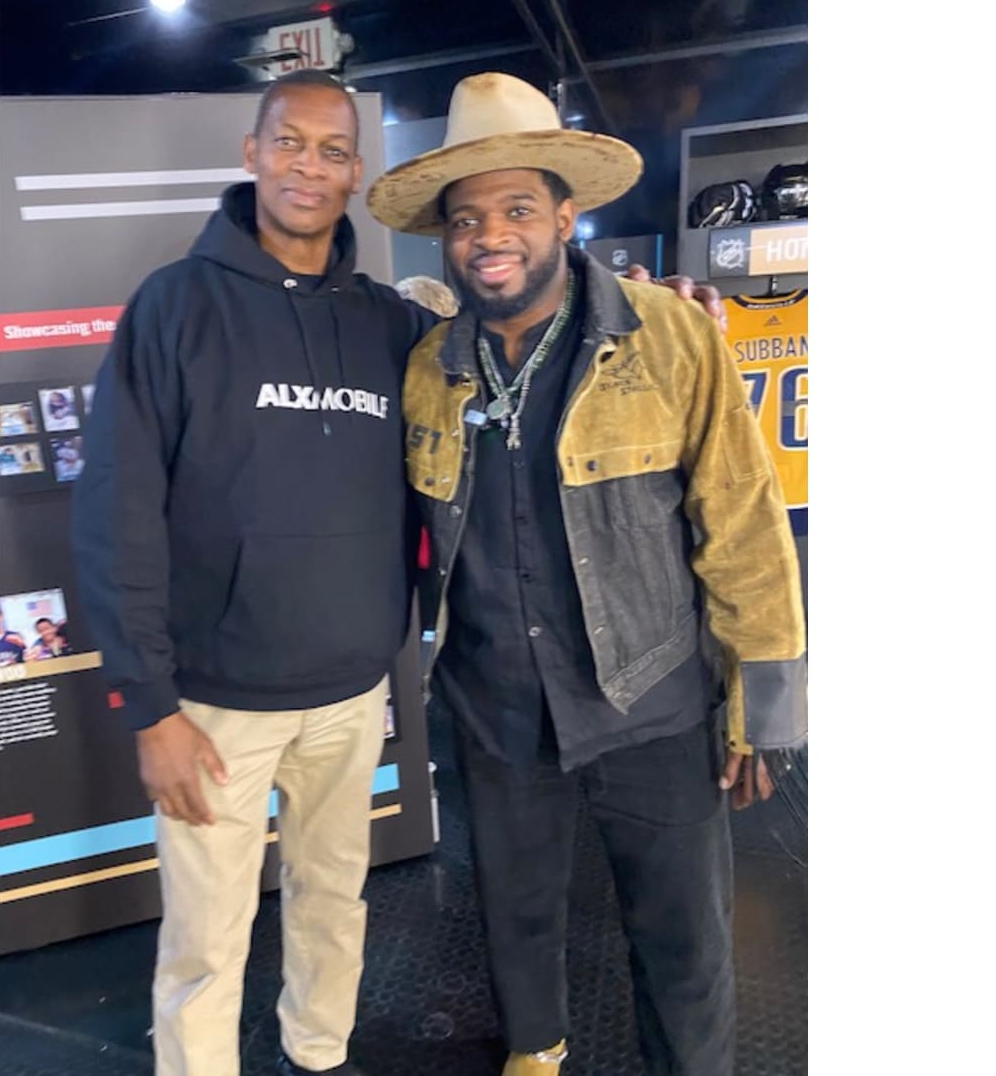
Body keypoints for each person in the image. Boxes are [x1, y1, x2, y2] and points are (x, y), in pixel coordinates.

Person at [71, 68, 731, 1076]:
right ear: (252, 154)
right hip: (213, 709)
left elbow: (531, 328)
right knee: (205, 940)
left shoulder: (394, 329)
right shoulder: (174, 308)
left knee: (335, 904)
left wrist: (653, 306)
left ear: (355, 172)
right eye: (289, 143)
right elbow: (114, 511)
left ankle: (318, 1055)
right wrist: (149, 706)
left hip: (352, 701)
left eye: (333, 150)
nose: (309, 166)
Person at [366, 72, 808, 1076]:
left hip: (652, 705)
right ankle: (536, 1055)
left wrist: (764, 711)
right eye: (467, 218)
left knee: (684, 946)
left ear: (565, 218)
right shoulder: (429, 366)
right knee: (515, 924)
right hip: (496, 713)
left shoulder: (671, 335)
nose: (491, 235)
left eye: (518, 209)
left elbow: (745, 524)